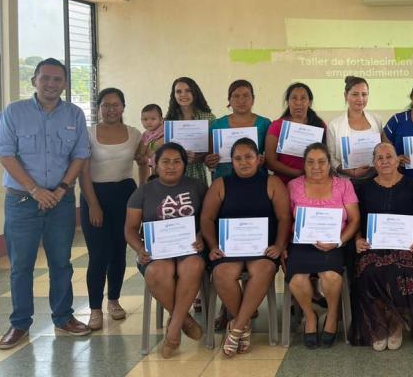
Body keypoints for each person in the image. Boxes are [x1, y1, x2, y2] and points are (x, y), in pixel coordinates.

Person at [0, 57, 92, 348]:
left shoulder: (74, 114)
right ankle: (20, 324)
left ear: (64, 84)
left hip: (60, 201)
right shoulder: (14, 112)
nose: (51, 84)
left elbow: (80, 154)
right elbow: (5, 154)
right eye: (45, 78)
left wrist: (62, 188)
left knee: (61, 263)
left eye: (57, 80)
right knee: (21, 266)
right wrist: (35, 190)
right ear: (34, 81)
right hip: (22, 201)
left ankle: (63, 317)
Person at [349, 143, 413, 351]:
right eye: (380, 158)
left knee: (401, 269)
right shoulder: (365, 187)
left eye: (389, 156)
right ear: (374, 162)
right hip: (374, 246)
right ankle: (378, 323)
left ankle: (395, 323)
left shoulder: (411, 185)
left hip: (406, 246)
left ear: (397, 160)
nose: (384, 161)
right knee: (368, 270)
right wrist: (357, 239)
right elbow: (357, 221)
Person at [200, 138, 291, 357]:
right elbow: (207, 218)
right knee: (222, 273)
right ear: (231, 161)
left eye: (248, 157)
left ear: (259, 159)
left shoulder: (272, 183)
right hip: (229, 249)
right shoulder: (221, 184)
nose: (243, 162)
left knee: (264, 270)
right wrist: (212, 246)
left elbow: (284, 217)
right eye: (238, 158)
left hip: (262, 249)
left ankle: (237, 327)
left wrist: (279, 245)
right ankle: (245, 324)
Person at [124, 143, 207, 358]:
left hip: (190, 249)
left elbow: (209, 220)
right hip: (156, 252)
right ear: (156, 164)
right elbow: (130, 229)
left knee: (194, 265)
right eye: (165, 162)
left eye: (177, 161)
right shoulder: (143, 191)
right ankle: (184, 321)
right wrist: (140, 248)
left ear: (185, 164)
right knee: (156, 272)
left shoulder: (197, 186)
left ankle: (173, 332)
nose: (171, 166)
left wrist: (201, 237)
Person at [78, 87, 146, 330]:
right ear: (99, 107)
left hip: (125, 195)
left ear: (124, 107)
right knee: (98, 254)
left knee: (118, 252)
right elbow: (83, 171)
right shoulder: (87, 133)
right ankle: (95, 308)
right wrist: (93, 205)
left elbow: (143, 162)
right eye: (106, 105)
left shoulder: (135, 133)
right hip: (94, 195)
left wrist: (143, 192)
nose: (111, 109)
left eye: (116, 104)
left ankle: (114, 301)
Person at [286, 143, 360, 349]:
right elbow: (285, 219)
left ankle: (333, 313)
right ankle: (310, 316)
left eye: (321, 162)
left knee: (331, 276)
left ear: (329, 164)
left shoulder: (344, 185)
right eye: (310, 162)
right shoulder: (293, 186)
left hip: (335, 243)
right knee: (297, 279)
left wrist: (338, 241)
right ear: (304, 164)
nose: (316, 167)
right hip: (302, 244)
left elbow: (354, 220)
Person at [204, 80, 272, 179]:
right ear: (229, 100)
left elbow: (271, 158)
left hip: (257, 180)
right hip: (224, 181)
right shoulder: (216, 125)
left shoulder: (265, 124)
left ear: (253, 99)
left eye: (246, 95)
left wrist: (263, 160)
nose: (241, 100)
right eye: (236, 96)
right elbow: (209, 158)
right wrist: (209, 161)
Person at [265, 83, 328, 184]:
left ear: (309, 102)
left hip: (313, 183)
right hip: (283, 183)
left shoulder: (319, 125)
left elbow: (326, 156)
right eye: (294, 98)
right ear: (288, 102)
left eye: (303, 98)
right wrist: (299, 174)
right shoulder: (277, 126)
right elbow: (270, 162)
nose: (298, 102)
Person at [326, 76, 385, 182]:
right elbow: (330, 157)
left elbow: (383, 149)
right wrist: (351, 172)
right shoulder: (334, 125)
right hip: (346, 181)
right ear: (345, 95)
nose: (360, 99)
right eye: (355, 94)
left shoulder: (377, 120)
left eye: (364, 94)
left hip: (375, 179)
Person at [165, 77, 216, 183]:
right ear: (174, 96)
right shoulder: (168, 121)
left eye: (188, 90)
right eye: (178, 91)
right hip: (173, 174)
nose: (183, 94)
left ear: (195, 92)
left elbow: (212, 151)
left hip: (197, 174)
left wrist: (198, 157)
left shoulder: (209, 118)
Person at [137, 104, 164, 184]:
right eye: (145, 119)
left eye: (153, 119)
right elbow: (142, 151)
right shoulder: (145, 134)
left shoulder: (165, 129)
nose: (149, 122)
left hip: (166, 162)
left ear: (161, 119)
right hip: (153, 164)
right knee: (154, 180)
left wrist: (151, 146)